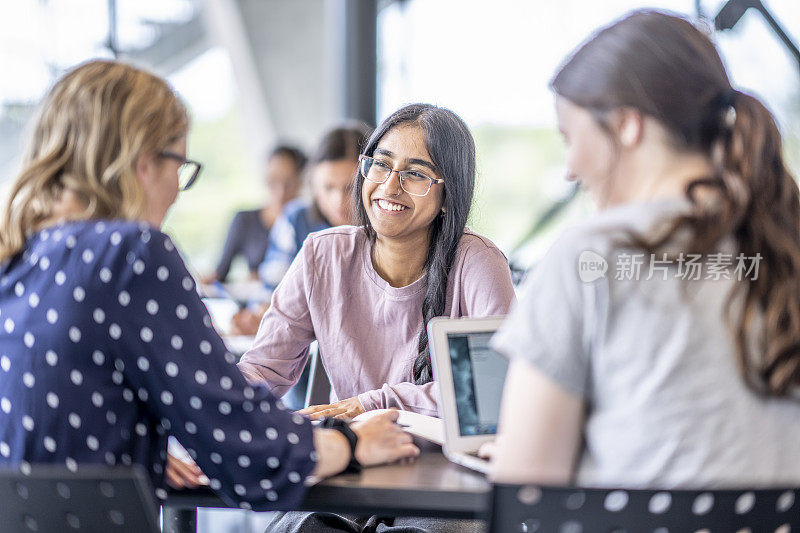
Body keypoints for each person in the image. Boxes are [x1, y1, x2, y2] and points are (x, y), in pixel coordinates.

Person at [0, 59, 418, 511]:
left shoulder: (18, 251)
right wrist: (352, 444)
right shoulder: (130, 254)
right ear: (144, 163)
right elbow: (247, 451)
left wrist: (137, 454)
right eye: (180, 165)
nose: (178, 189)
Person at [490, 10, 800, 488]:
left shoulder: (587, 257)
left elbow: (524, 490)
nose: (570, 169)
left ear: (628, 126)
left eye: (571, 139)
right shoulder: (784, 240)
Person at [238, 103, 516, 419]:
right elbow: (262, 370)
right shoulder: (323, 254)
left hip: (445, 462)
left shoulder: (478, 262)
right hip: (359, 455)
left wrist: (373, 403)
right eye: (381, 165)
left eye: (415, 173)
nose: (389, 187)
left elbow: (496, 388)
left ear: (448, 195)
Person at [230, 125, 369, 338]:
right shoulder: (295, 219)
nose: (338, 201)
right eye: (328, 188)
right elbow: (272, 284)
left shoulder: (383, 228)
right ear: (313, 184)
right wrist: (258, 314)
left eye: (349, 188)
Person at [205, 145, 306, 283]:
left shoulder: (309, 223)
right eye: (273, 181)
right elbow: (220, 272)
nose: (280, 192)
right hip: (256, 300)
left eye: (289, 183)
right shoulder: (244, 220)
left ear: (301, 182)